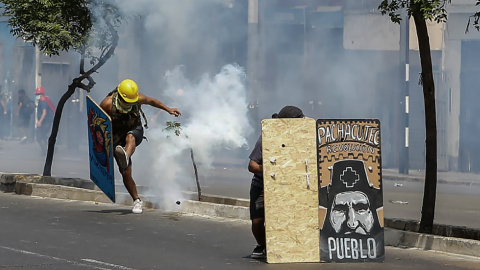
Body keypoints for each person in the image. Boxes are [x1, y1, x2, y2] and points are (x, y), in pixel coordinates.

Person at [100, 79, 181, 214]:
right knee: (125, 172)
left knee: (130, 137)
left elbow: (152, 101)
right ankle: (137, 200)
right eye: (126, 103)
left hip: (134, 129)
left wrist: (168, 109)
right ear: (119, 96)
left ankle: (125, 155)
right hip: (116, 136)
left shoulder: (138, 98)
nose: (129, 105)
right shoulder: (107, 104)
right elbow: (98, 123)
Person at [247, 105, 305, 259]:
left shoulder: (304, 137)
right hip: (262, 184)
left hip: (289, 185)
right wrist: (272, 169)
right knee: (258, 221)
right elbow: (252, 165)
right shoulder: (267, 137)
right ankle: (262, 245)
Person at [35, 86, 55, 154]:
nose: (37, 96)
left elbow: (44, 112)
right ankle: (47, 149)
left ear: (42, 94)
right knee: (43, 136)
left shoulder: (43, 101)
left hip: (45, 122)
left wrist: (40, 122)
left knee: (39, 137)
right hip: (46, 122)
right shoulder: (45, 100)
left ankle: (46, 151)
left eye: (38, 94)